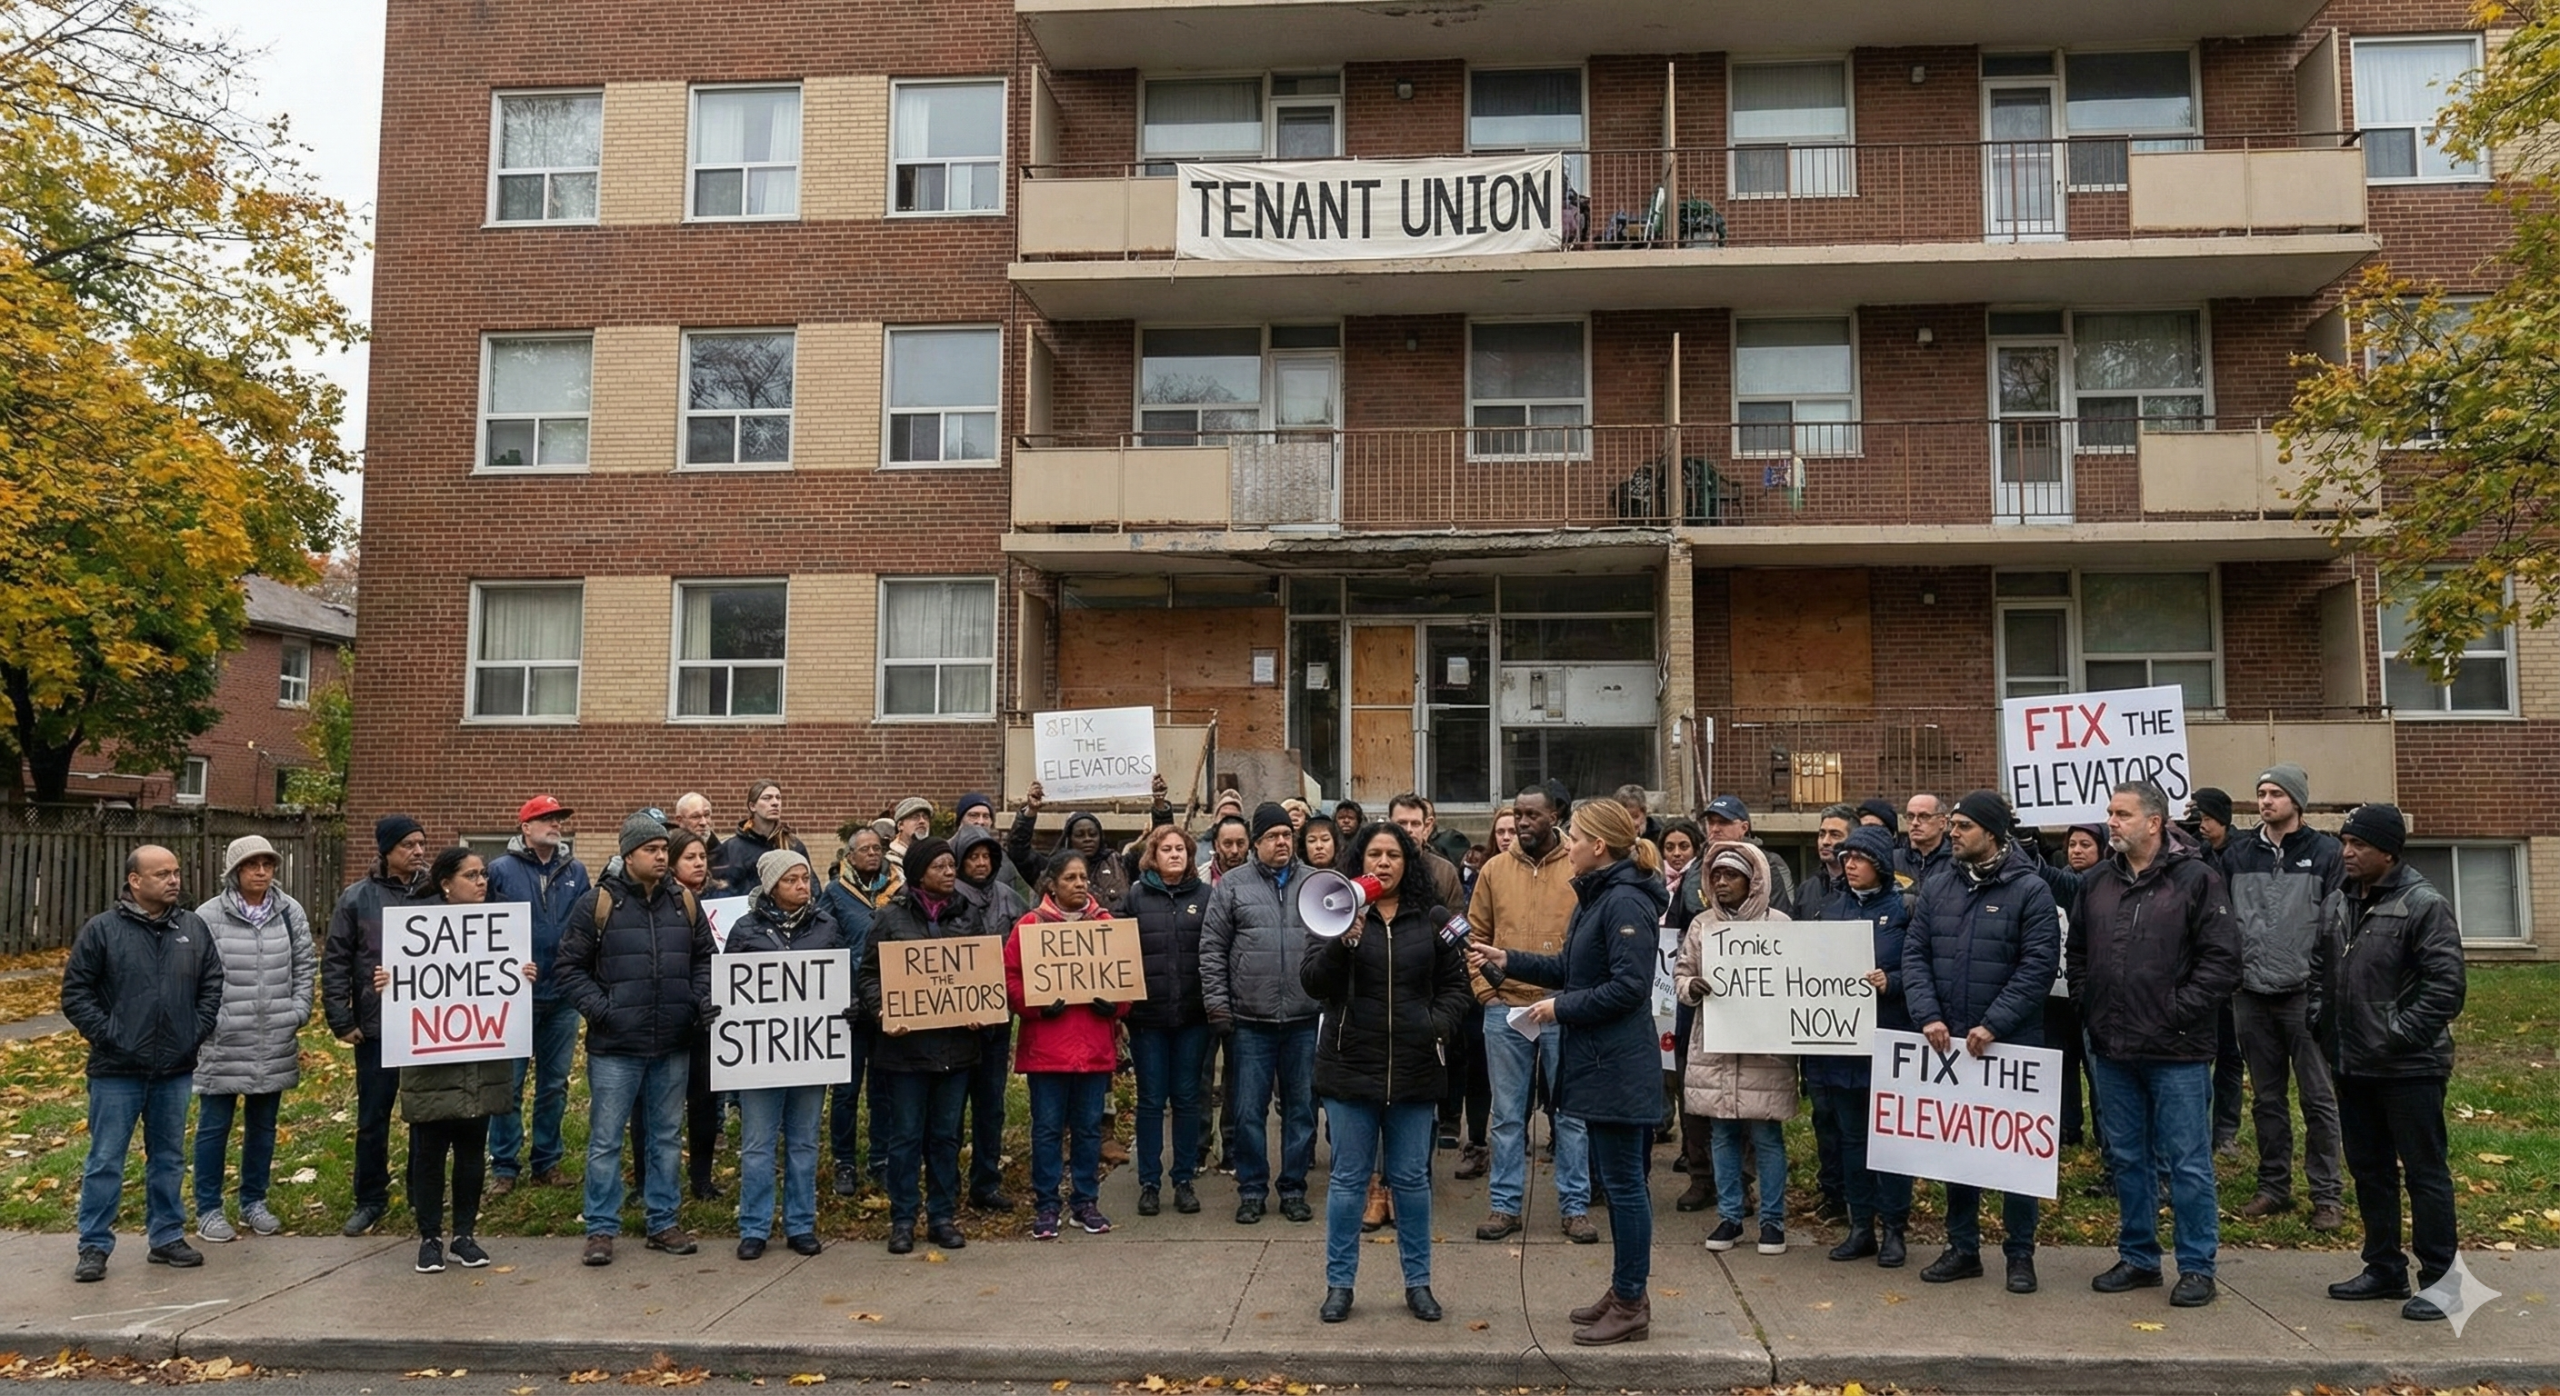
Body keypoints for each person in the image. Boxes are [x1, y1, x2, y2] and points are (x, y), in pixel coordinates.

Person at [1467, 797, 1666, 1346]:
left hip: (1617, 1065)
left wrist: (1559, 1007)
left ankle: (1631, 1302)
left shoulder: (1625, 901)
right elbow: (1571, 968)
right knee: (1624, 1182)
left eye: (1574, 837)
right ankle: (1624, 1290)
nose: (1567, 844)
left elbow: (1629, 988)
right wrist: (1511, 959)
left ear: (1598, 846)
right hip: (1601, 1061)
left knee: (1626, 1187)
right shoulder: (1597, 897)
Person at [2071, 780, 2242, 1309]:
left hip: (2177, 1051)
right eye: (2109, 813)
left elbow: (2222, 961)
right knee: (2127, 1157)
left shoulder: (2196, 880)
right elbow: (2076, 952)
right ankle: (2139, 1256)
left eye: (2121, 814)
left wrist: (2177, 1011)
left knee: (2188, 1162)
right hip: (2113, 1046)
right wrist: (2089, 1002)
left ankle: (2196, 1266)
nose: (2111, 823)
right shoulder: (2097, 881)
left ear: (2155, 822)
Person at [1304, 821, 1473, 1324]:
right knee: (1349, 1180)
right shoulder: (1336, 910)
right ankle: (1340, 1285)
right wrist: (1343, 942)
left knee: (1411, 1181)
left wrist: (1433, 1025)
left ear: (1408, 862)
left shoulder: (1432, 919)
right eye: (1374, 854)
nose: (1383, 863)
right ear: (1361, 862)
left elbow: (1458, 988)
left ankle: (1418, 1284)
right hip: (1350, 1068)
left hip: (1415, 1070)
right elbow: (1313, 982)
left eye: (1393, 856)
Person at [2311, 804, 2467, 1323]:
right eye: (2344, 843)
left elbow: (2445, 988)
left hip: (2409, 1068)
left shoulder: (2424, 904)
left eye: (2358, 845)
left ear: (2389, 852)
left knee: (2424, 1174)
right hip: (2352, 1063)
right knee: (2370, 1170)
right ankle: (2383, 1266)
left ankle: (2443, 1281)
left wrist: (2395, 1035)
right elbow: (2319, 970)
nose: (2347, 853)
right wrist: (2322, 1020)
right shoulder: (2338, 901)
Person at [1900, 789, 2058, 1295]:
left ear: (1991, 833)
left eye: (1963, 826)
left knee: (2014, 1155)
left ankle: (2019, 1254)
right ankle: (1962, 1247)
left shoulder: (2030, 890)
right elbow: (1915, 954)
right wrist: (1927, 1015)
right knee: (1959, 1148)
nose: (1953, 833)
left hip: (2009, 1043)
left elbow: (2037, 967)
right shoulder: (1938, 884)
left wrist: (1993, 1025)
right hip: (1950, 1043)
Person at [555, 811, 716, 1266]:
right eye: (652, 849)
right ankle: (601, 1228)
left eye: (665, 849)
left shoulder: (684, 901)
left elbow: (705, 957)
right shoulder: (599, 903)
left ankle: (662, 1221)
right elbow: (568, 968)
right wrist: (605, 1011)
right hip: (615, 1048)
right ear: (629, 855)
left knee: (666, 1136)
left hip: (672, 1041)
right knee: (606, 1139)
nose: (662, 856)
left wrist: (693, 999)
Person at [63, 845, 223, 1282]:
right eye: (162, 874)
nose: (174, 880)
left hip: (174, 1068)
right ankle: (93, 1245)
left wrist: (195, 1030)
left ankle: (167, 1236)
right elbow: (76, 993)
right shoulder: (102, 930)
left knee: (169, 1157)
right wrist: (112, 1035)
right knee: (106, 1159)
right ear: (135, 881)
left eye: (176, 873)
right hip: (116, 1071)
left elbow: (212, 984)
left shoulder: (192, 928)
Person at [380, 847, 531, 1274]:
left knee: (470, 1152)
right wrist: (389, 981)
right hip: (431, 1063)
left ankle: (464, 1235)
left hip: (482, 1064)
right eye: (471, 875)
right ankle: (429, 1238)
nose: (482, 881)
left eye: (483, 874)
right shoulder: (414, 927)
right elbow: (404, 982)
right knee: (428, 1154)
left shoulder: (502, 925)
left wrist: (522, 977)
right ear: (446, 883)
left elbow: (502, 983)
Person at [2222, 763, 2348, 1232]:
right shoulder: (2238, 854)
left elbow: (2336, 925)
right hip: (2251, 993)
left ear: (2297, 800)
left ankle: (2326, 1195)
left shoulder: (2326, 853)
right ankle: (2274, 1187)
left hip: (2304, 995)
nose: (2266, 801)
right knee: (2267, 1099)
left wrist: (2322, 985)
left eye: (2276, 793)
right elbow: (2222, 918)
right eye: (2261, 793)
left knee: (2318, 1098)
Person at [1466, 782, 1592, 1245]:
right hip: (1507, 1009)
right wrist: (1485, 992)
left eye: (1532, 815)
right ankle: (1504, 1206)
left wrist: (1575, 998)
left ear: (1555, 815)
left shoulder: (1579, 867)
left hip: (1562, 1008)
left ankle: (1575, 1207)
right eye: (1517, 814)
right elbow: (1473, 935)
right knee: (1506, 1115)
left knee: (1571, 1114)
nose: (1521, 823)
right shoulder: (1494, 870)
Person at [190, 836, 316, 1244]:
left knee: (263, 1126)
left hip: (274, 1035)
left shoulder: (288, 911)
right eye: (251, 865)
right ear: (234, 871)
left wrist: (297, 1011)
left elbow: (304, 962)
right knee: (214, 1125)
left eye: (268, 864)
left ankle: (253, 1201)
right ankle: (208, 1209)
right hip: (224, 1038)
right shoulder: (208, 916)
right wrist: (210, 1021)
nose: (261, 871)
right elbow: (194, 973)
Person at [1200, 802, 1321, 1225]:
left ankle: (1292, 1187)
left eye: (1288, 835)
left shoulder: (1315, 883)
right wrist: (1218, 1005)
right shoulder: (1232, 886)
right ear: (1256, 843)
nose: (1283, 842)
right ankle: (1251, 1188)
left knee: (1301, 1109)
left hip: (1304, 1019)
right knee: (1248, 1111)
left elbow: (1331, 947)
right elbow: (1212, 950)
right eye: (1273, 836)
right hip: (1250, 1021)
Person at [860, 838, 983, 1254]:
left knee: (946, 1137)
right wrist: (883, 1014)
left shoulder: (969, 916)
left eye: (952, 865)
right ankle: (903, 1219)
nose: (950, 872)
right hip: (905, 1052)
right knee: (906, 1137)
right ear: (918, 874)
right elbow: (869, 976)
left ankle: (943, 1216)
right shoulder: (890, 918)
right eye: (940, 866)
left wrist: (979, 1006)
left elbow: (983, 971)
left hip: (955, 1049)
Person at [723, 849, 847, 1260]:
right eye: (792, 880)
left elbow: (839, 976)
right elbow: (728, 984)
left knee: (804, 1142)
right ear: (772, 886)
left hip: (809, 1052)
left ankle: (800, 1224)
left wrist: (846, 1005)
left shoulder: (826, 925)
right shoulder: (744, 929)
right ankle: (754, 1228)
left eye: (805, 879)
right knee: (758, 1144)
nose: (802, 886)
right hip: (760, 1055)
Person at [1677, 842, 1797, 1257]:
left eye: (1732, 875)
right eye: (1716, 876)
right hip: (1715, 1050)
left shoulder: (1780, 925)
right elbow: (1681, 973)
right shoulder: (1700, 926)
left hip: (1766, 1053)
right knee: (1722, 1135)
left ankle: (1773, 1222)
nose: (1722, 883)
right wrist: (1691, 987)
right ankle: (1730, 1216)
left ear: (1754, 880)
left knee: (1767, 1136)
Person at [1007, 851, 1133, 1239]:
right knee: (1046, 1130)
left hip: (1093, 1048)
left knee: (1088, 1130)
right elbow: (1011, 979)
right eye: (1071, 878)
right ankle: (1046, 1205)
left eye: (1083, 877)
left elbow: (1126, 976)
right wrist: (1037, 1006)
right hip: (1048, 1049)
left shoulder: (1107, 925)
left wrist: (1117, 1006)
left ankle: (1084, 1202)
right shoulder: (1030, 926)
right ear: (1052, 885)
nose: (1080, 884)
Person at [322, 814, 430, 1237]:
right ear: (386, 850)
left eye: (421, 843)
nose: (418, 851)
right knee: (372, 1119)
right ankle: (370, 1199)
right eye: (408, 845)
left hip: (426, 1028)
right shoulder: (356, 898)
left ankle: (421, 1195)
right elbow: (335, 962)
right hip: (377, 1027)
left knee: (425, 1115)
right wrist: (341, 1019)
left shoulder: (434, 896)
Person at [1811, 825, 1913, 1267]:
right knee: (1852, 1139)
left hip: (1887, 1041)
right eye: (1845, 857)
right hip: (1841, 1047)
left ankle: (1894, 1229)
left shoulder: (1907, 910)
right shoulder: (1830, 912)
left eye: (1859, 857)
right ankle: (1860, 1226)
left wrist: (1893, 983)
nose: (1848, 864)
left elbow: (1924, 966)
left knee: (1888, 1140)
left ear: (1881, 865)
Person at [485, 795, 592, 1198]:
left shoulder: (575, 871)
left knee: (554, 1084)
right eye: (546, 819)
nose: (555, 824)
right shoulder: (500, 871)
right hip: (514, 996)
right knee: (508, 1084)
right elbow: (481, 927)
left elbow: (584, 923)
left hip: (561, 994)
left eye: (559, 818)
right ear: (525, 828)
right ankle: (505, 1165)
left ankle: (546, 1161)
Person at [1124, 824, 1211, 1217]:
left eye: (1181, 849)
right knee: (1150, 1101)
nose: (1174, 854)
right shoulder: (1136, 897)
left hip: (1193, 1016)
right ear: (1152, 856)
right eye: (1166, 849)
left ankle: (1184, 1179)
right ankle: (1148, 1182)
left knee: (1188, 1099)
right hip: (1148, 1019)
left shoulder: (1207, 897)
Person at [950, 823, 1022, 1212]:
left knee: (990, 1105)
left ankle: (985, 1182)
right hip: (955, 1024)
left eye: (986, 857)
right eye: (973, 857)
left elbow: (1027, 952)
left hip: (996, 1019)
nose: (980, 863)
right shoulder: (945, 898)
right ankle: (948, 1183)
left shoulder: (1009, 899)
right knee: (951, 1106)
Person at [1794, 803, 1859, 1223]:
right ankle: (1832, 1192)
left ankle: (1858, 1197)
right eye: (1822, 834)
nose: (1826, 842)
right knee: (1822, 1114)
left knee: (1851, 1118)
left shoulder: (1861, 890)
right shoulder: (1808, 890)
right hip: (1815, 1021)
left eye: (1835, 835)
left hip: (1852, 1022)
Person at [822, 825, 895, 1196]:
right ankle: (844, 1163)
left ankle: (881, 1160)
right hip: (850, 1006)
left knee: (883, 1091)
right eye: (863, 849)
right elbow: (824, 942)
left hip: (887, 1004)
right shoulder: (835, 893)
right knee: (847, 1092)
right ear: (849, 857)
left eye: (876, 848)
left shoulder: (898, 890)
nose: (872, 853)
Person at [714, 780, 807, 897]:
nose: (775, 803)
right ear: (752, 806)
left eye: (778, 798)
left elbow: (811, 885)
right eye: (767, 798)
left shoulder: (793, 845)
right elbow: (724, 889)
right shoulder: (732, 848)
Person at [1703, 795, 1794, 908]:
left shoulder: (1768, 863)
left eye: (1723, 822)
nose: (1715, 829)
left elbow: (1783, 913)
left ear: (1744, 828)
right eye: (1711, 822)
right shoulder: (1697, 866)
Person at [1386, 792, 1467, 911]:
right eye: (1401, 823)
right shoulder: (1375, 867)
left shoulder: (1445, 872)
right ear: (1389, 825)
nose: (1409, 830)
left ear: (1426, 827)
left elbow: (1457, 916)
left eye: (1415, 824)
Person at [1896, 794, 1952, 888]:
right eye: (1910, 816)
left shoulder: (1956, 864)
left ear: (1942, 822)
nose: (1915, 823)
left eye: (1924, 816)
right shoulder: (1893, 860)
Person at [887, 797, 934, 864]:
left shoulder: (933, 855)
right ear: (900, 825)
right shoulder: (891, 861)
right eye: (915, 817)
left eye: (925, 817)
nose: (922, 821)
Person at [1206, 814, 1251, 883]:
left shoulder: (1263, 880)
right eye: (1228, 844)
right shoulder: (1201, 877)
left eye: (1240, 844)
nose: (1235, 851)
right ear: (1217, 845)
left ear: (1248, 843)